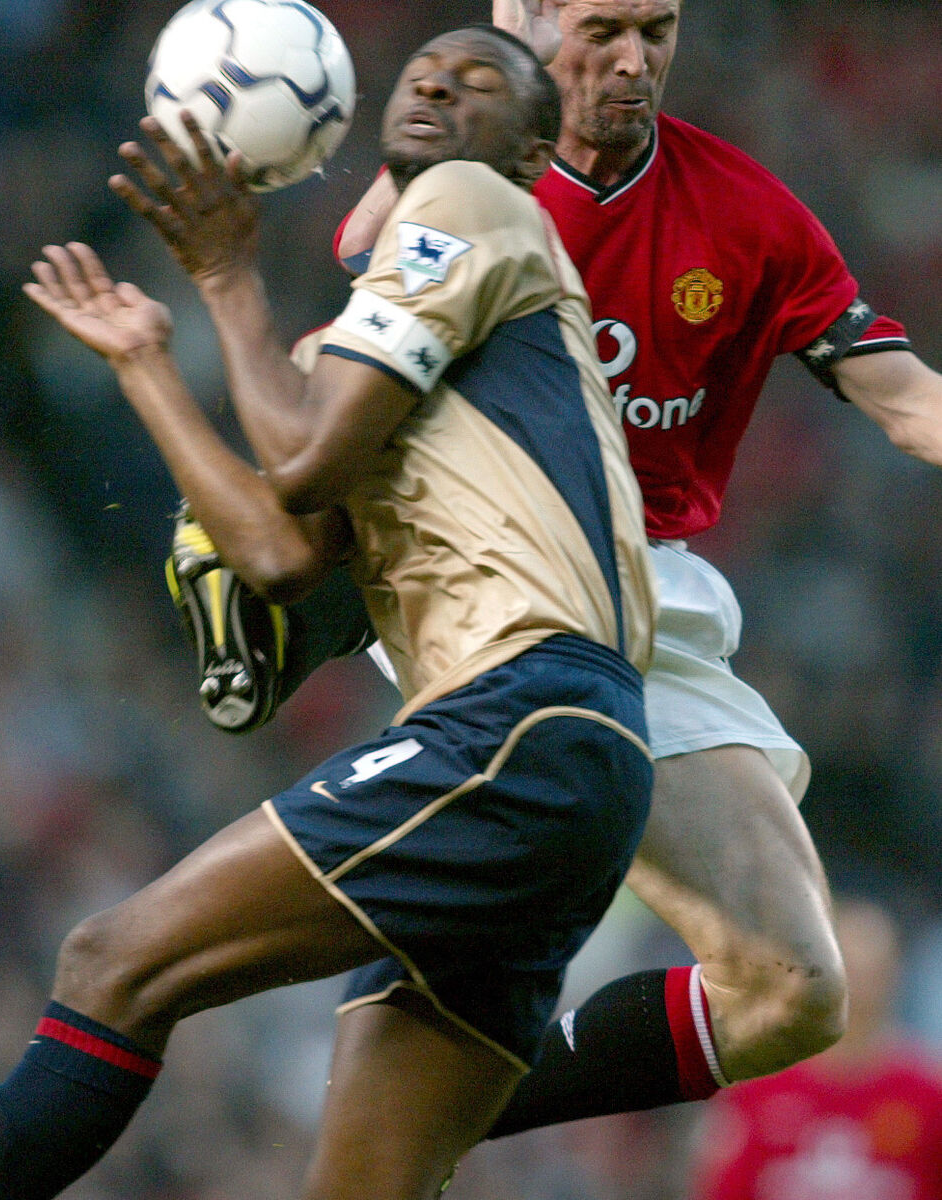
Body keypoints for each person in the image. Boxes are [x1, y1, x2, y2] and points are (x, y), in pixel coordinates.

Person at [203, 0, 942, 1136]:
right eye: (602, 27)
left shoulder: (747, 212)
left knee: (798, 995)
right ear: (522, 19)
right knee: (347, 381)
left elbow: (901, 399)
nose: (634, 59)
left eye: (657, 28)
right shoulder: (460, 184)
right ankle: (283, 585)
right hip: (494, 575)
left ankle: (462, 1110)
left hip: (654, 595)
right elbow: (364, 304)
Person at [0, 25, 659, 1200]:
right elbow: (278, 554)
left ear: (535, 149)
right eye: (423, 72)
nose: (437, 82)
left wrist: (226, 277)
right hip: (563, 768)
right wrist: (144, 361)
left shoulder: (474, 201)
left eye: (480, 80)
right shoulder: (365, 349)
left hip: (519, 720)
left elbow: (302, 461)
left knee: (112, 961)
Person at [687, 896, 942, 1199]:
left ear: (895, 973)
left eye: (873, 969)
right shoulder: (761, 1086)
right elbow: (721, 1186)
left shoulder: (928, 1092)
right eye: (852, 967)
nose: (861, 985)